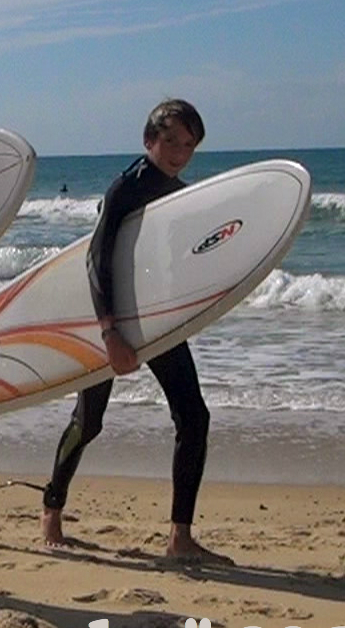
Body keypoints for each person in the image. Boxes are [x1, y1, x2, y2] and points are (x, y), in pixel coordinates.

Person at [40, 98, 232, 565]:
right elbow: (96, 260)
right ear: (150, 141)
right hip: (109, 322)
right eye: (170, 141)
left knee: (194, 418)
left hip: (155, 322)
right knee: (88, 423)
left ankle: (180, 537)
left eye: (188, 145)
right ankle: (51, 511)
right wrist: (110, 332)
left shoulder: (180, 196)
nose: (179, 152)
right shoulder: (125, 189)